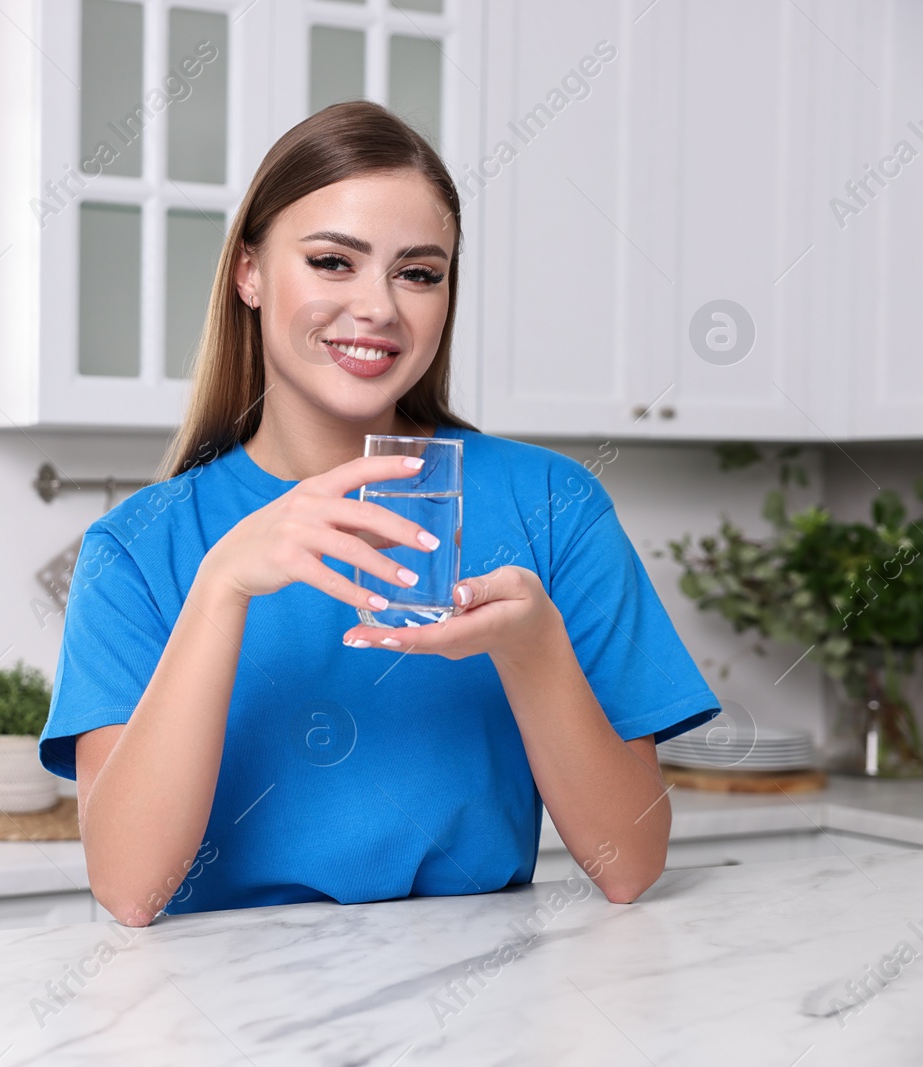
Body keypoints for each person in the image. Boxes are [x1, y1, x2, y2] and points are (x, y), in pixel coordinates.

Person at [38, 101, 721, 928]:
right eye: (333, 261)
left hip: (486, 1009)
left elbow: (629, 866)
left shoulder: (553, 504)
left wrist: (533, 648)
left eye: (419, 272)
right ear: (249, 273)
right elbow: (129, 887)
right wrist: (221, 585)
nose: (379, 308)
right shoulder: (139, 548)